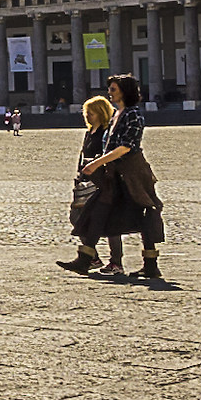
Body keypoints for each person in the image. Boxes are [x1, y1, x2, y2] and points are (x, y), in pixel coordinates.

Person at [70, 74, 164, 281]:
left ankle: (150, 264)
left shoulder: (133, 115)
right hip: (115, 173)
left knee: (144, 215)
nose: (109, 93)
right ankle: (86, 259)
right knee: (99, 210)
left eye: (113, 89)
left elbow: (126, 147)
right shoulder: (117, 115)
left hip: (132, 173)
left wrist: (97, 163)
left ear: (124, 91)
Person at [59, 96, 119, 275]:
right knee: (76, 217)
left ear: (101, 113)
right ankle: (93, 257)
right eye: (86, 113)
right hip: (86, 181)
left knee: (110, 222)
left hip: (102, 182)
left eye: (91, 113)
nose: (87, 116)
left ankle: (115, 262)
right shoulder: (90, 132)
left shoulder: (107, 133)